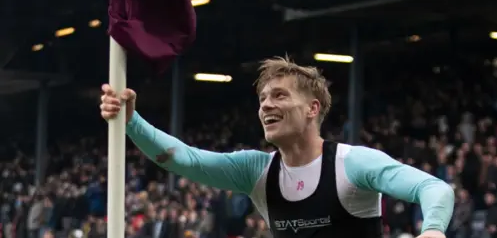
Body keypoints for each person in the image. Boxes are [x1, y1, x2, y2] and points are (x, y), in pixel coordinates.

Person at [100, 56, 454, 238]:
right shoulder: (255, 171)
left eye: (280, 96)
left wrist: (433, 229)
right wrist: (132, 121)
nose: (266, 105)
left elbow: (432, 187)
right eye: (263, 98)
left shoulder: (352, 163)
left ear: (313, 108)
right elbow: (182, 159)